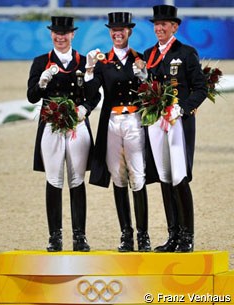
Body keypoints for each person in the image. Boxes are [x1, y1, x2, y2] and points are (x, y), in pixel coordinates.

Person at [134, 5, 208, 252]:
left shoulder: (186, 53)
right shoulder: (150, 53)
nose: (159, 28)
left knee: (179, 177)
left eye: (164, 24)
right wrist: (143, 77)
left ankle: (187, 237)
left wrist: (183, 108)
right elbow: (149, 87)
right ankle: (173, 235)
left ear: (174, 27)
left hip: (177, 122)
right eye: (156, 24)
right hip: (156, 121)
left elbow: (201, 88)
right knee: (165, 177)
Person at [83, 12, 158, 252]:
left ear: (129, 32)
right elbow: (92, 92)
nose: (118, 32)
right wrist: (89, 69)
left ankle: (143, 235)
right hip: (112, 122)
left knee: (138, 175)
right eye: (114, 29)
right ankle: (126, 234)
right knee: (118, 176)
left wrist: (143, 74)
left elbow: (151, 88)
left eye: (122, 29)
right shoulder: (102, 62)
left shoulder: (140, 58)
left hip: (135, 120)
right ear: (110, 32)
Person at [27, 16, 100, 252]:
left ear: (72, 35)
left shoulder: (82, 61)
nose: (61, 37)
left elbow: (94, 94)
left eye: (65, 33)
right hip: (51, 124)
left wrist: (85, 109)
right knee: (54, 179)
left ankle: (80, 236)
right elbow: (31, 96)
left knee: (77, 179)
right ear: (51, 35)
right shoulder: (41, 61)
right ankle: (55, 236)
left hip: (77, 124)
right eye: (57, 33)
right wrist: (41, 83)